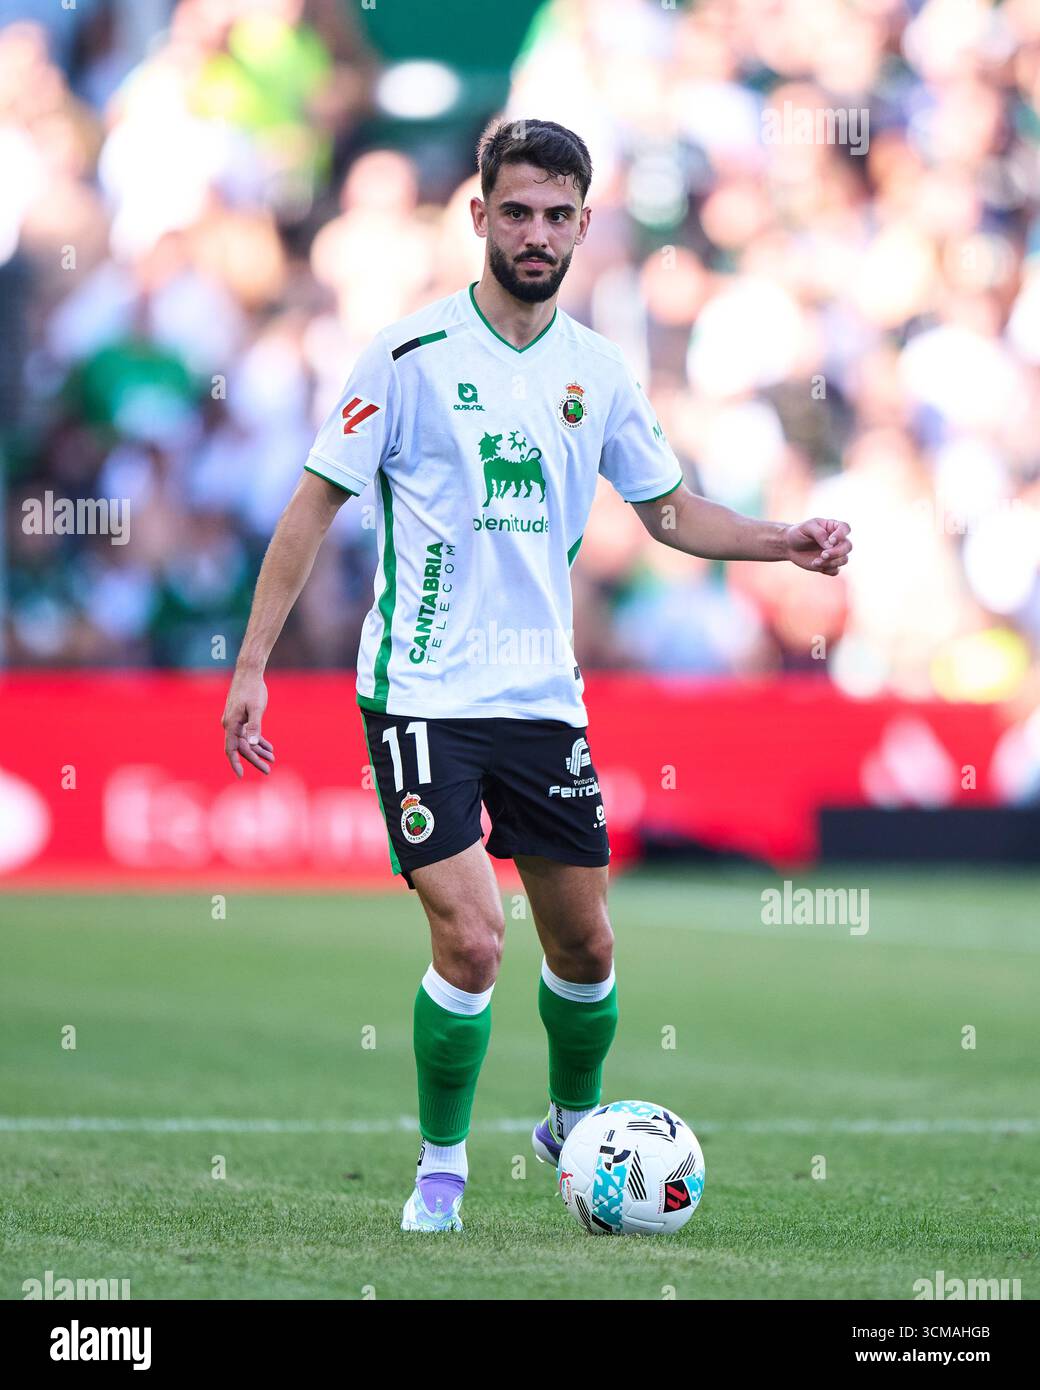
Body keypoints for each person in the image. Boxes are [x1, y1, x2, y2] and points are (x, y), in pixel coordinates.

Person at [220, 118, 852, 1232]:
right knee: (471, 936)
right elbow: (312, 504)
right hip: (420, 693)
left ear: (582, 227)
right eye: (515, 211)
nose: (535, 233)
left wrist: (779, 539)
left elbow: (667, 512)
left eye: (557, 216)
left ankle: (575, 1128)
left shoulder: (596, 371)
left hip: (540, 701)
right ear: (478, 217)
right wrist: (255, 662)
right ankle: (439, 1174)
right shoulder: (407, 356)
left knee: (587, 944)